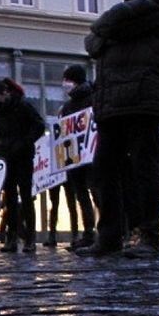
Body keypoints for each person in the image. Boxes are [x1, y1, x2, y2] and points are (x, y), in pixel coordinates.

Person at [80, 0, 159, 259]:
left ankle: (148, 235)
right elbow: (93, 44)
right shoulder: (134, 9)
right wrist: (105, 31)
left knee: (143, 165)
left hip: (142, 96)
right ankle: (109, 235)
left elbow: (108, 25)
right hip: (113, 98)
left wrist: (104, 27)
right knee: (104, 168)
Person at [0, 78, 47, 253]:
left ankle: (30, 239)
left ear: (4, 93)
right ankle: (11, 238)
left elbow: (39, 125)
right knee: (10, 199)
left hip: (23, 156)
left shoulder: (23, 106)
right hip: (7, 158)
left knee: (27, 197)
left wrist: (25, 143)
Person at [46, 64, 97, 250]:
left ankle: (104, 231)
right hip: (74, 156)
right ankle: (89, 232)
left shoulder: (92, 99)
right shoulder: (68, 106)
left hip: (90, 154)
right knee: (82, 195)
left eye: (67, 80)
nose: (64, 84)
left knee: (95, 194)